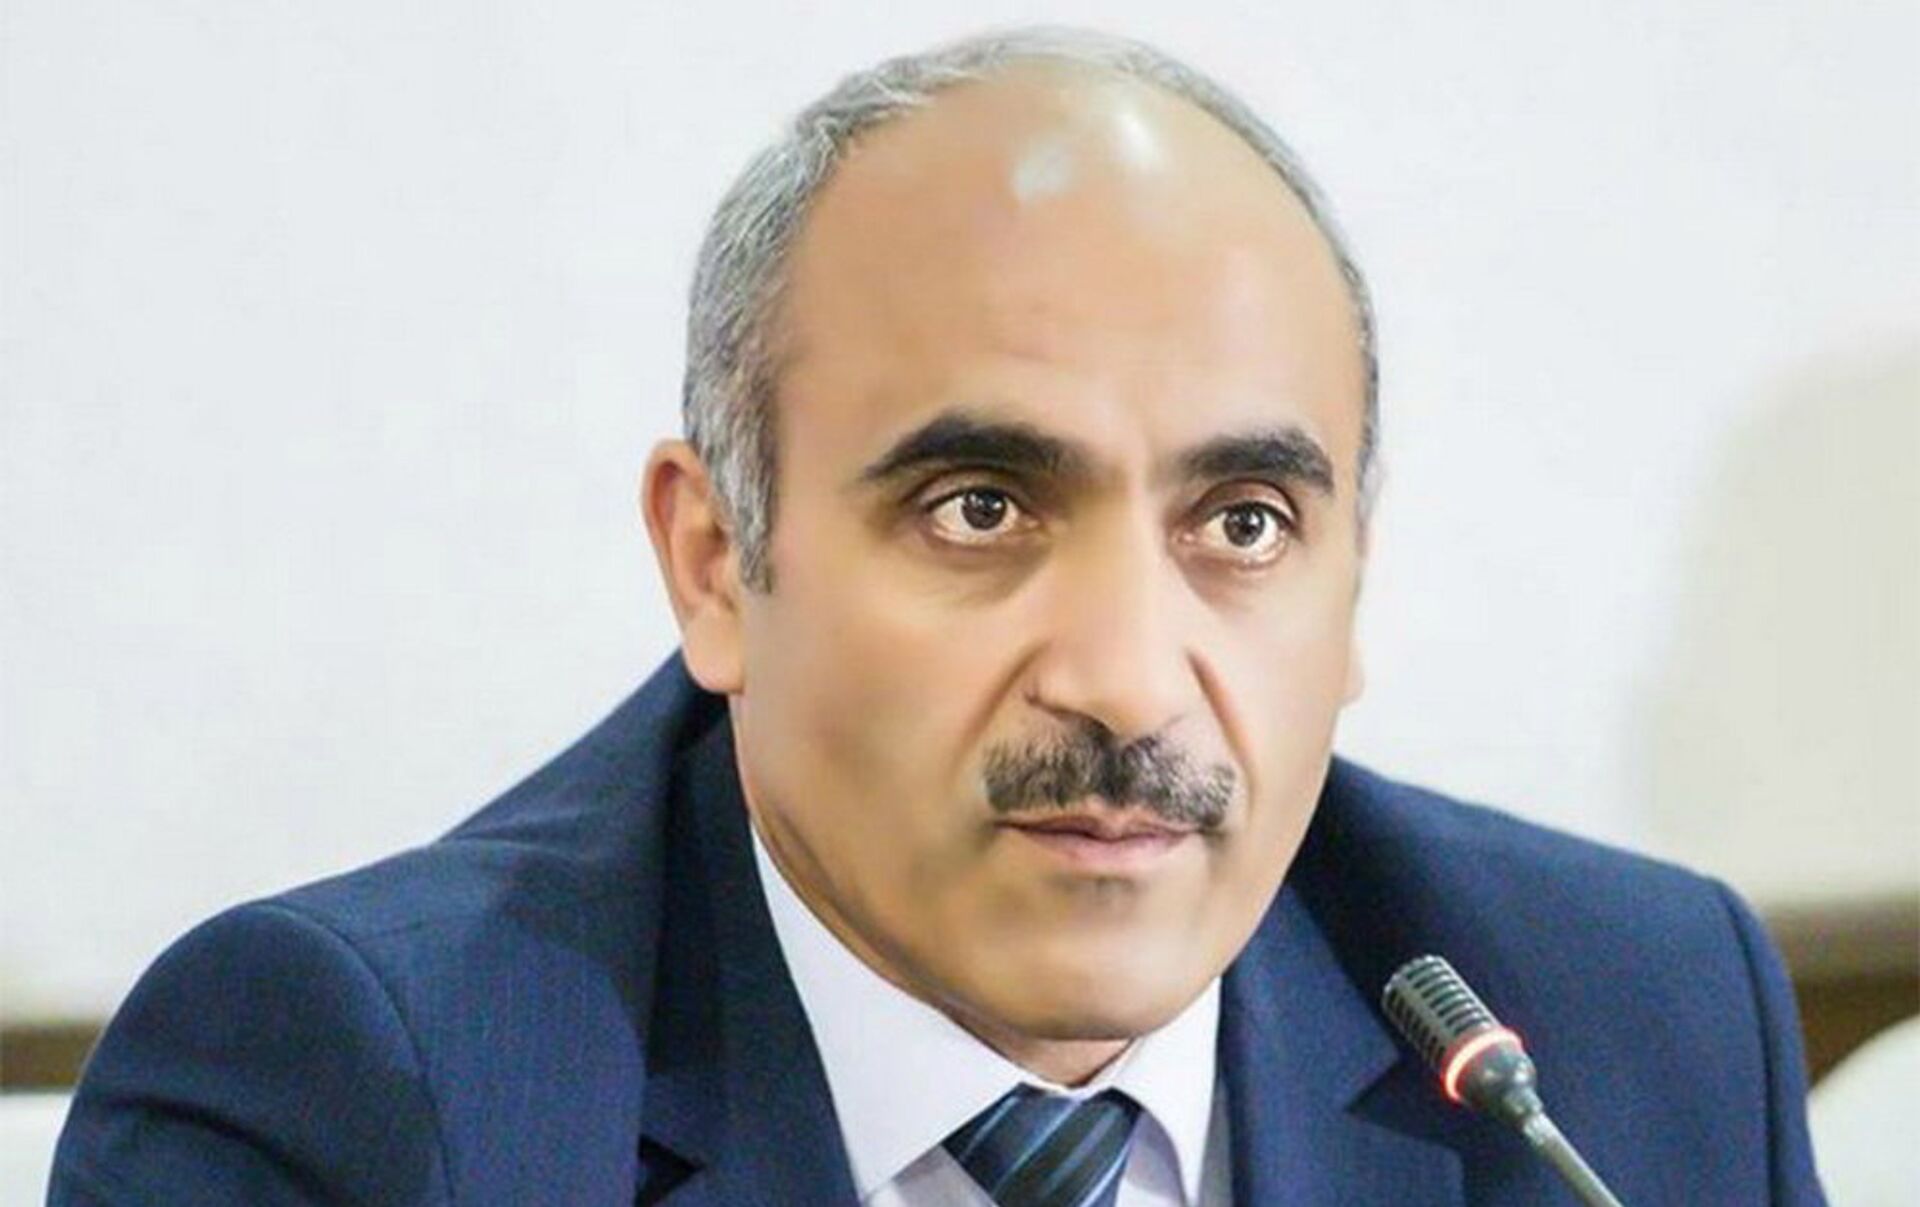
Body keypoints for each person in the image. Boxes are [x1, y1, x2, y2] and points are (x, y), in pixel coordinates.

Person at [50, 26, 1825, 1206]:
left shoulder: (1628, 1026)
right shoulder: (366, 1097)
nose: (1126, 683)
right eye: (981, 509)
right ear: (717, 562)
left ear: (1355, 583)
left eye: (1245, 522)